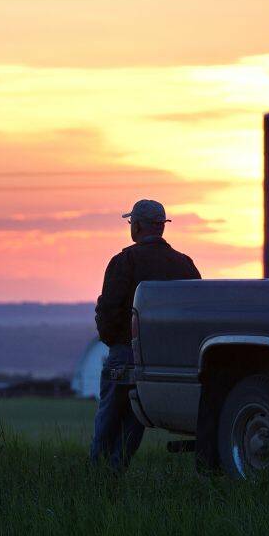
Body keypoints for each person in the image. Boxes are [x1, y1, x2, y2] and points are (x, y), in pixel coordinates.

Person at [91, 199, 201, 470]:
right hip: (166, 361)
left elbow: (109, 310)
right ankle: (117, 469)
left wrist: (114, 341)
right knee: (135, 420)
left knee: (109, 417)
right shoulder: (184, 265)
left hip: (125, 353)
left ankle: (98, 477)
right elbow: (196, 311)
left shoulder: (124, 261)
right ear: (162, 227)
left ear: (137, 227)